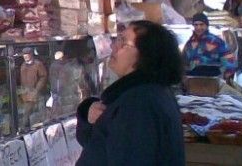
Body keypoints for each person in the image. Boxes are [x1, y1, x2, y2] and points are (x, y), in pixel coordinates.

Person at [75, 21, 185, 165]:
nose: (113, 46)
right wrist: (87, 111)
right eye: (118, 39)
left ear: (145, 56)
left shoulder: (139, 104)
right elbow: (98, 144)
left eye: (123, 42)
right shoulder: (146, 92)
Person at [182, 13, 237, 79]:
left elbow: (229, 61)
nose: (198, 27)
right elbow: (183, 62)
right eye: (196, 25)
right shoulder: (190, 43)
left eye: (201, 24)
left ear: (206, 26)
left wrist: (227, 77)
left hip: (212, 79)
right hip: (193, 79)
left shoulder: (216, 42)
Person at [19, 47, 48, 130]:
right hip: (27, 93)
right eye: (24, 55)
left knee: (40, 111)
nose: (25, 57)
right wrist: (23, 90)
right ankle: (25, 129)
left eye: (26, 55)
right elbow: (22, 79)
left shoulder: (38, 64)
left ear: (31, 55)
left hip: (37, 93)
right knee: (27, 112)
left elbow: (43, 77)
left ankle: (42, 129)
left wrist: (36, 89)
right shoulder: (23, 65)